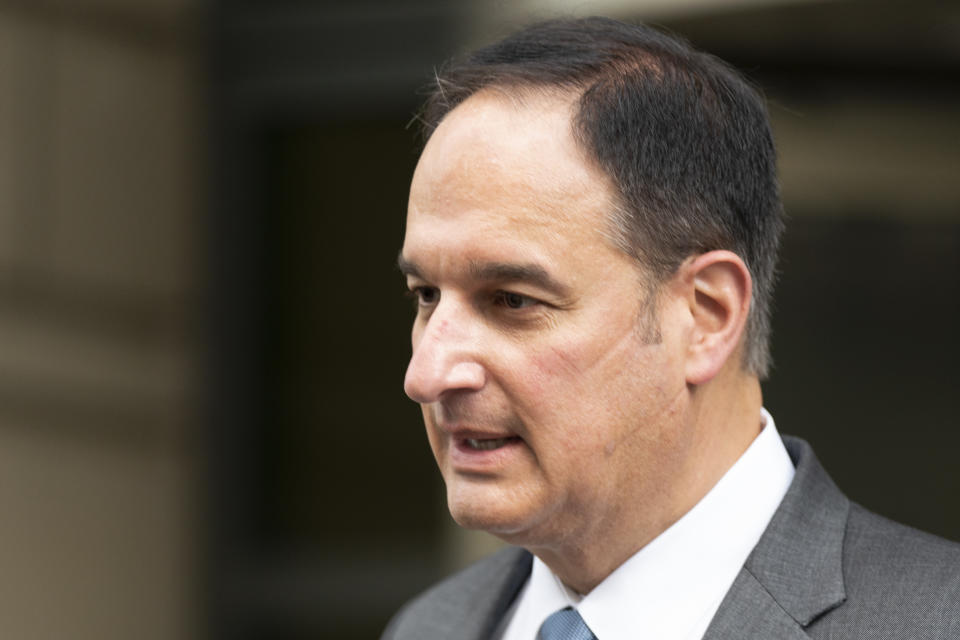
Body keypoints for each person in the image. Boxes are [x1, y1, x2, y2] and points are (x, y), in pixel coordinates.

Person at [384, 16, 960, 640]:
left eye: (512, 301)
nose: (426, 374)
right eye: (426, 295)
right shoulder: (429, 627)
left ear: (706, 317)